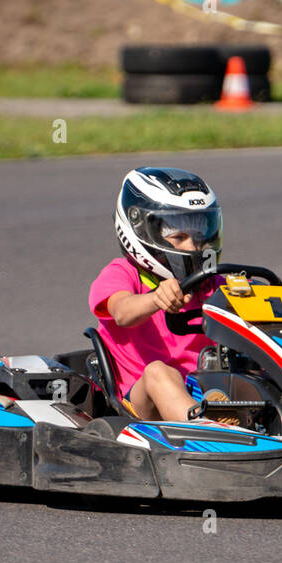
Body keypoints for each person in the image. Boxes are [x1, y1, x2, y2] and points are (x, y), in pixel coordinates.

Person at [88, 166, 229, 422]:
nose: (193, 247)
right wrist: (155, 298)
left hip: (204, 388)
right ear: (141, 230)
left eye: (200, 237)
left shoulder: (211, 283)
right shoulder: (121, 274)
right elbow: (122, 312)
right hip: (139, 405)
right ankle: (207, 430)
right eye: (180, 237)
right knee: (159, 372)